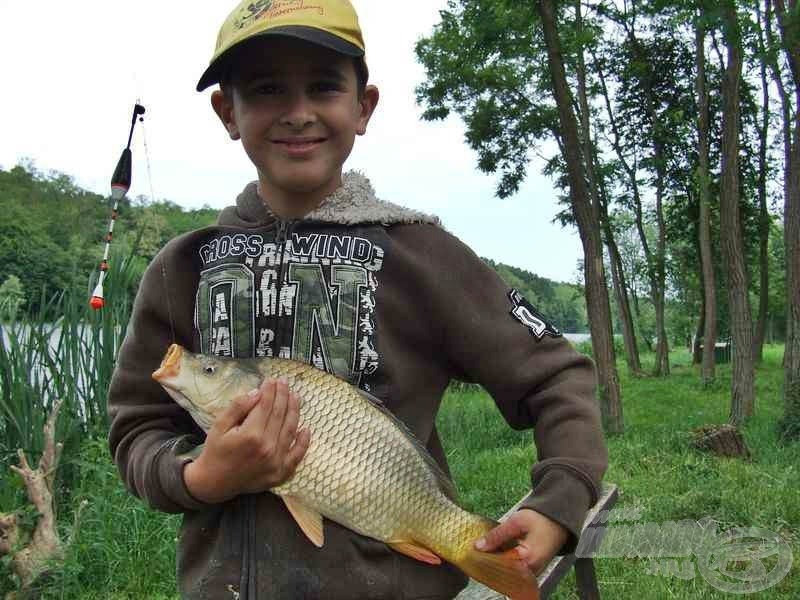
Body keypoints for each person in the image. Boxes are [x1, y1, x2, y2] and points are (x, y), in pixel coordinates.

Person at [107, 1, 608, 598]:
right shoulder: (182, 267)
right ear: (227, 111)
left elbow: (557, 377)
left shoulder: (425, 255)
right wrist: (201, 477)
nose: (298, 113)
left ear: (363, 106)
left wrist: (560, 501)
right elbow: (136, 429)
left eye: (323, 87)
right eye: (267, 90)